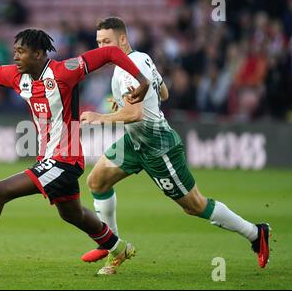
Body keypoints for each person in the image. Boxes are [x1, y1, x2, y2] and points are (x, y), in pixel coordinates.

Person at [0, 28, 151, 275]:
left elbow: (108, 52)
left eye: (21, 52)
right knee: (72, 214)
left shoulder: (65, 71)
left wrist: (142, 79)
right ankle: (118, 248)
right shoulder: (15, 76)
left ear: (39, 54)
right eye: (15, 52)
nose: (15, 57)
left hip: (64, 160)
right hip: (49, 159)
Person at [80, 17, 271, 268]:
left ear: (123, 39)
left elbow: (135, 114)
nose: (101, 48)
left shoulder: (128, 69)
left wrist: (99, 117)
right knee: (97, 181)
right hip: (136, 141)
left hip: (159, 147)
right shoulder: (141, 58)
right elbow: (164, 92)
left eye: (107, 42)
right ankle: (112, 246)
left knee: (194, 205)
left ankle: (256, 234)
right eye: (98, 43)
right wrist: (129, 102)